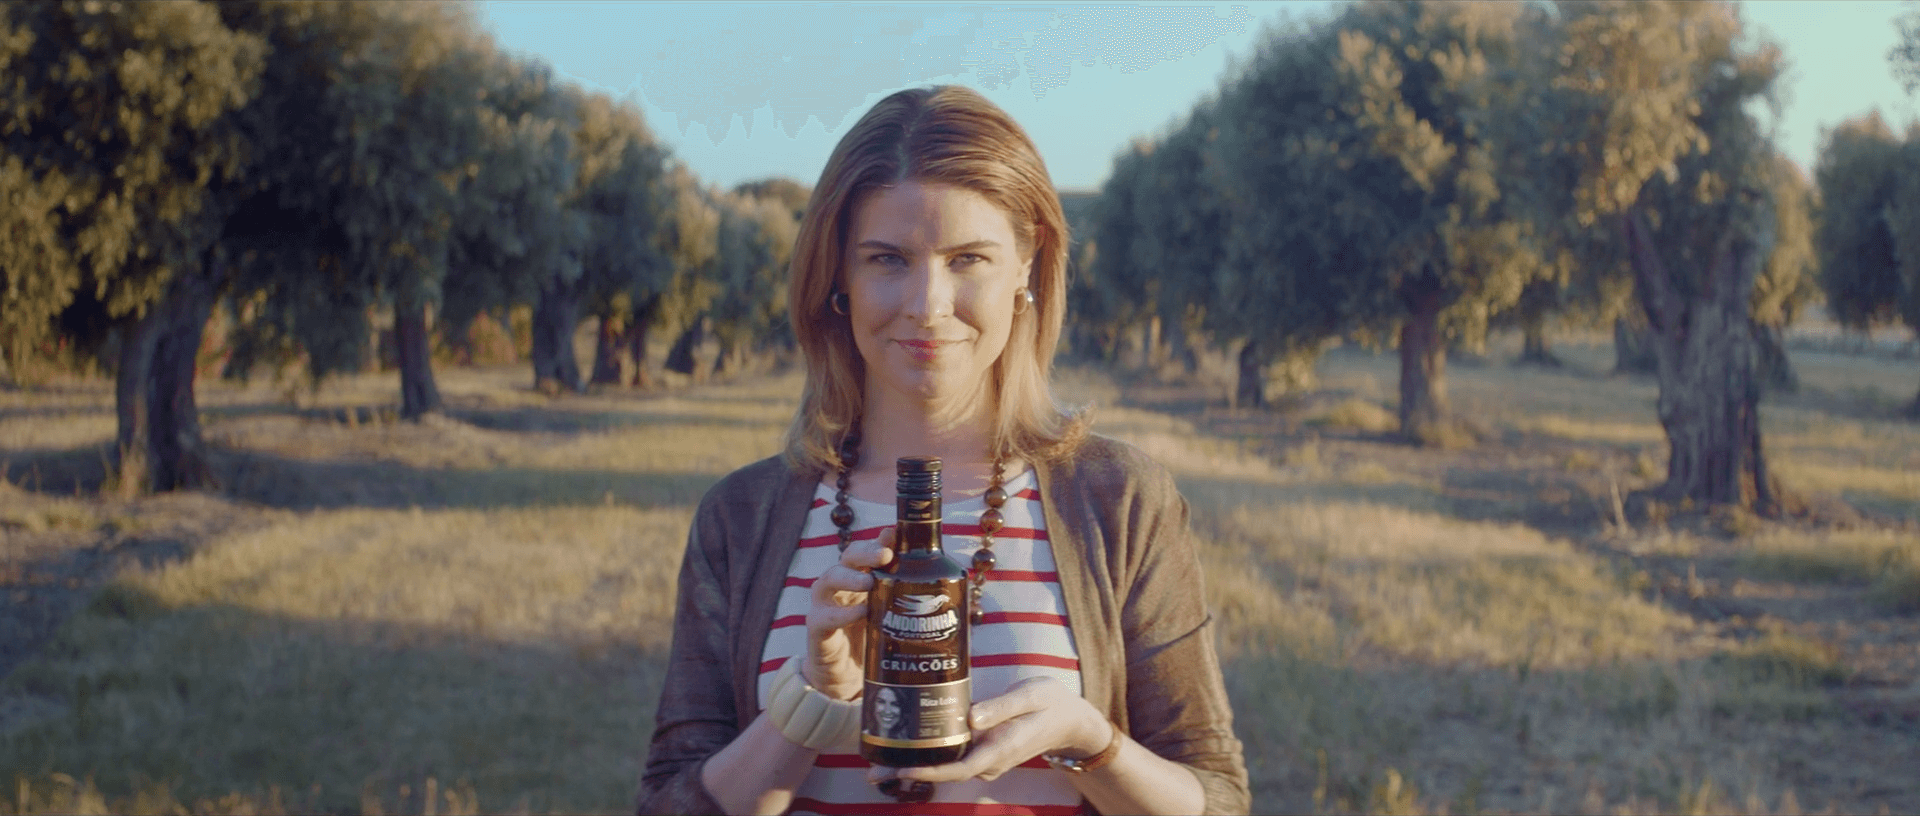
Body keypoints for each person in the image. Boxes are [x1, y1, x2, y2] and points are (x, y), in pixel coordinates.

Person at [637, 84, 1248, 816]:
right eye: (887, 259)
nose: (927, 303)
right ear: (839, 275)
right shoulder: (741, 517)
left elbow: (1216, 798)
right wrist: (815, 705)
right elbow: (668, 803)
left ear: (1027, 264)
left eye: (968, 259)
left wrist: (1092, 742)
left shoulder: (1120, 500)